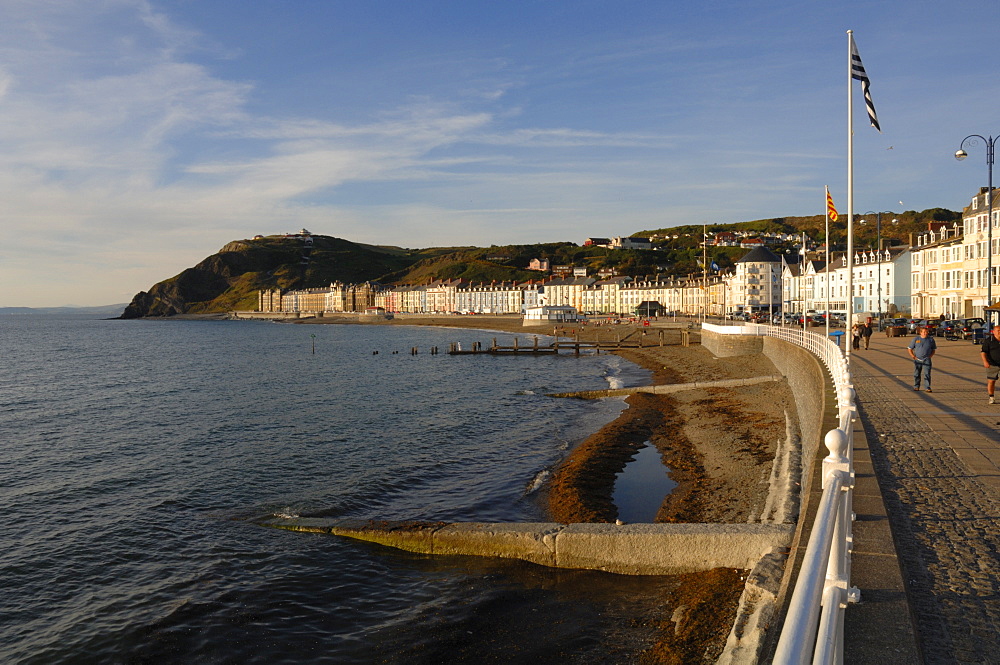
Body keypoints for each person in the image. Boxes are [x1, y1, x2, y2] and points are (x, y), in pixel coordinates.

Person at [908, 326, 937, 392]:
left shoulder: (931, 340)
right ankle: (916, 386)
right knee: (917, 374)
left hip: (927, 359)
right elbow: (909, 348)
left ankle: (927, 387)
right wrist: (913, 356)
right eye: (923, 332)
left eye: (926, 332)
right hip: (917, 359)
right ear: (920, 333)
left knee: (927, 374)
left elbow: (933, 349)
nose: (925, 333)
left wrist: (930, 356)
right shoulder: (916, 339)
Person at [981, 325, 1000, 404]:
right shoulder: (989, 340)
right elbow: (983, 352)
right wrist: (985, 362)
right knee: (991, 381)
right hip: (992, 364)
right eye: (998, 330)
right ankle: (991, 397)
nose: (999, 332)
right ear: (994, 332)